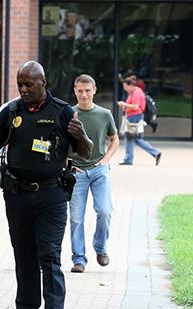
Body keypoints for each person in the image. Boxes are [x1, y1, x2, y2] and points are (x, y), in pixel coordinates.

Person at [0, 61, 93, 309]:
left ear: (44, 82)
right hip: (17, 195)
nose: (23, 90)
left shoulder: (63, 112)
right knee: (24, 257)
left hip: (52, 196)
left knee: (49, 255)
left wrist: (81, 135)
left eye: (29, 84)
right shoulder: (11, 111)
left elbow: (86, 153)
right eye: (20, 85)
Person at [69, 74, 119, 273]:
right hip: (77, 172)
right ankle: (79, 259)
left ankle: (100, 248)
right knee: (75, 218)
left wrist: (106, 160)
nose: (84, 95)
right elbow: (61, 143)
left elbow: (114, 139)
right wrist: (69, 163)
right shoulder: (69, 114)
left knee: (105, 210)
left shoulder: (105, 114)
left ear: (94, 90)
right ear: (75, 91)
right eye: (80, 91)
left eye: (87, 90)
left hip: (99, 170)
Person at [117, 77, 162, 166]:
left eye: (125, 86)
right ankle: (129, 159)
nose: (124, 88)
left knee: (134, 138)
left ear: (130, 85)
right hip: (134, 116)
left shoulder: (136, 93)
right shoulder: (135, 92)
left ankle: (154, 153)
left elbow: (135, 106)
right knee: (132, 137)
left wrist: (124, 104)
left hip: (134, 117)